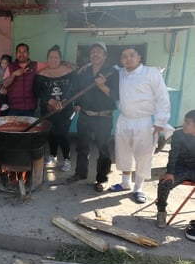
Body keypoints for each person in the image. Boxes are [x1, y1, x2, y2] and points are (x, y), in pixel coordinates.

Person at [110, 46, 171, 203]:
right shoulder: (120, 72)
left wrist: (160, 121)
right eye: (124, 56)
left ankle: (138, 188)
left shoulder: (151, 73)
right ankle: (125, 183)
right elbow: (103, 67)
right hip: (124, 119)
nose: (128, 59)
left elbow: (162, 97)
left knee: (143, 154)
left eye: (131, 55)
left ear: (139, 57)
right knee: (123, 151)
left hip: (144, 121)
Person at [66, 42, 119, 193]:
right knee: (82, 146)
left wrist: (102, 86)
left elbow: (116, 95)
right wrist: (74, 102)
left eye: (99, 52)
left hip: (103, 117)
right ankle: (80, 173)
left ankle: (102, 179)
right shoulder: (84, 71)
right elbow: (77, 89)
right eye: (93, 52)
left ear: (105, 55)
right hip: (85, 115)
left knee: (103, 149)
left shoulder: (112, 72)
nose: (95, 54)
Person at [34, 45, 74, 172]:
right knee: (51, 132)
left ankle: (67, 159)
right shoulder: (41, 74)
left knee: (63, 134)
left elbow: (74, 89)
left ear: (60, 59)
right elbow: (37, 91)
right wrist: (50, 101)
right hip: (48, 109)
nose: (53, 59)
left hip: (65, 109)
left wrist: (64, 101)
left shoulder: (69, 72)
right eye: (50, 57)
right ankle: (53, 156)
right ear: (47, 59)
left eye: (56, 57)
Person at [156, 110, 195, 230]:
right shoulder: (178, 135)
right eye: (184, 121)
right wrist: (170, 172)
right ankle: (161, 212)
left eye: (187, 123)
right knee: (165, 182)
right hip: (179, 168)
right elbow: (173, 154)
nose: (184, 124)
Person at [3, 43, 39, 117]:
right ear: (16, 54)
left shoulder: (36, 65)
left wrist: (64, 63)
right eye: (19, 51)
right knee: (13, 128)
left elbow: (52, 65)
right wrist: (13, 74)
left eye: (24, 51)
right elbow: (5, 84)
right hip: (14, 108)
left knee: (29, 128)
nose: (22, 54)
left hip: (30, 108)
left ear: (28, 54)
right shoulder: (10, 66)